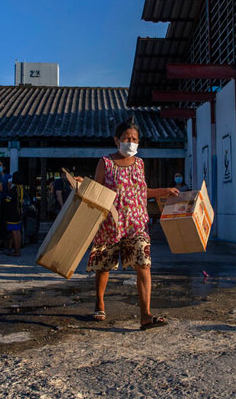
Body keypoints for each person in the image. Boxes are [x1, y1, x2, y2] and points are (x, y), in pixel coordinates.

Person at [82, 118, 179, 330]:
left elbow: (141, 192)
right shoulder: (105, 163)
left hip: (136, 223)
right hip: (109, 224)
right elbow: (96, 192)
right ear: (117, 140)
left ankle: (146, 315)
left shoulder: (140, 163)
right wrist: (83, 186)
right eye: (126, 138)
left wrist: (165, 191)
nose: (130, 142)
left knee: (144, 264)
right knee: (104, 266)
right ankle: (99, 303)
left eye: (134, 139)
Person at [3, 171, 24, 257]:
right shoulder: (21, 188)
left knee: (14, 232)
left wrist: (8, 189)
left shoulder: (14, 189)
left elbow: (7, 201)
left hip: (12, 213)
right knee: (18, 231)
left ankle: (16, 251)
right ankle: (18, 249)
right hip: (18, 213)